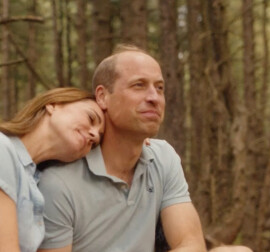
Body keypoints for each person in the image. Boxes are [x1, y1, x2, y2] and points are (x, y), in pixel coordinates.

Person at [38, 44, 252, 252]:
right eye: (138, 85)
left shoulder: (163, 157)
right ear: (103, 96)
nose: (154, 98)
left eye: (159, 88)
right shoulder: (59, 181)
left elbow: (191, 245)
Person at [0, 87, 104, 252]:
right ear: (53, 104)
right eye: (91, 118)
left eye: (97, 141)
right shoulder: (3, 149)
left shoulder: (38, 183)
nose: (95, 135)